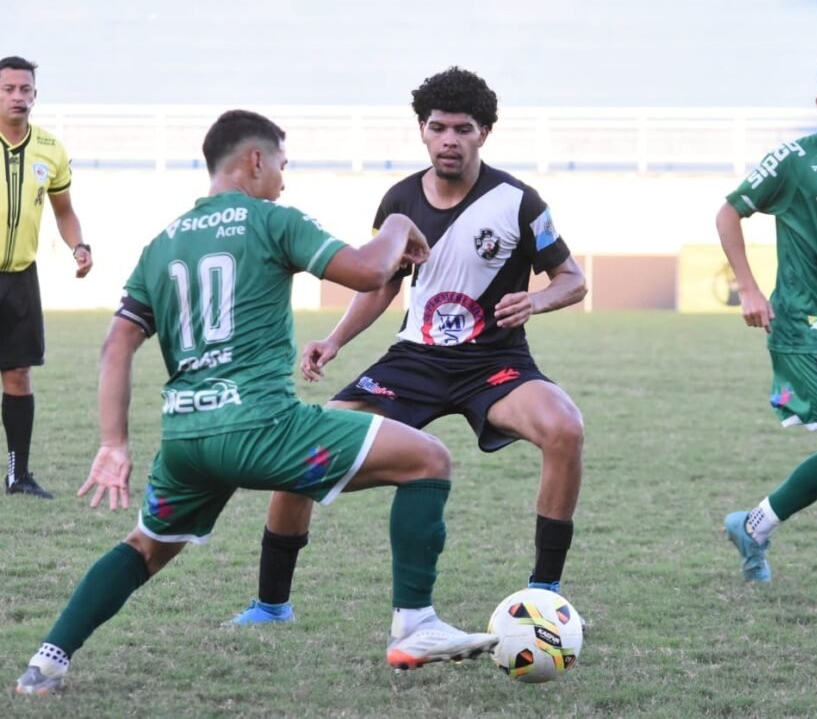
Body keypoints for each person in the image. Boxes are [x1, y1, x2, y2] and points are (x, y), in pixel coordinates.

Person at [14, 109, 498, 695]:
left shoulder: (162, 243)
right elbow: (371, 271)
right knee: (429, 460)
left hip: (188, 440)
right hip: (265, 428)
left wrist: (114, 443)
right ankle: (415, 624)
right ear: (255, 160)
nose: (284, 181)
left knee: (144, 549)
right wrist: (399, 222)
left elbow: (117, 344)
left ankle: (47, 662)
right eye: (282, 166)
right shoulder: (272, 220)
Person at [231, 66, 587, 626]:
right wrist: (335, 339)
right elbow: (383, 284)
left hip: (495, 364)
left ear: (484, 133)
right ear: (422, 130)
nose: (449, 140)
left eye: (463, 129)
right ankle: (271, 605)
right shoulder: (399, 200)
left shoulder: (519, 202)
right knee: (303, 450)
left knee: (564, 428)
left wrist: (537, 301)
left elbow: (573, 279)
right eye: (438, 127)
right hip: (413, 362)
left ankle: (545, 595)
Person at [718, 52, 817, 592]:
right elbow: (729, 212)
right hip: (800, 323)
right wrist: (749, 288)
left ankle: (753, 526)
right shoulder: (795, 160)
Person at [1, 56, 93, 499]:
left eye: (25, 89)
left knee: (18, 374)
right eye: (8, 89)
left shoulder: (50, 149)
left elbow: (64, 211)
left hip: (20, 277)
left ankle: (18, 475)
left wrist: (79, 246)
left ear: (35, 95)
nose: (18, 97)